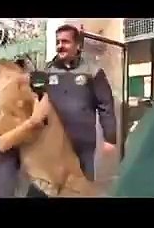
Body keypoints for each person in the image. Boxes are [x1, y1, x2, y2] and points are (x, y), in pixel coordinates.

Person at [26, 24, 117, 197]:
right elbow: (35, 100)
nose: (60, 45)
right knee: (46, 186)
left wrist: (110, 138)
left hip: (82, 144)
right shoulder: (47, 71)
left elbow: (106, 104)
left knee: (81, 188)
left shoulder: (93, 71)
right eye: (58, 42)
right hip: (52, 142)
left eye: (66, 42)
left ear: (78, 46)